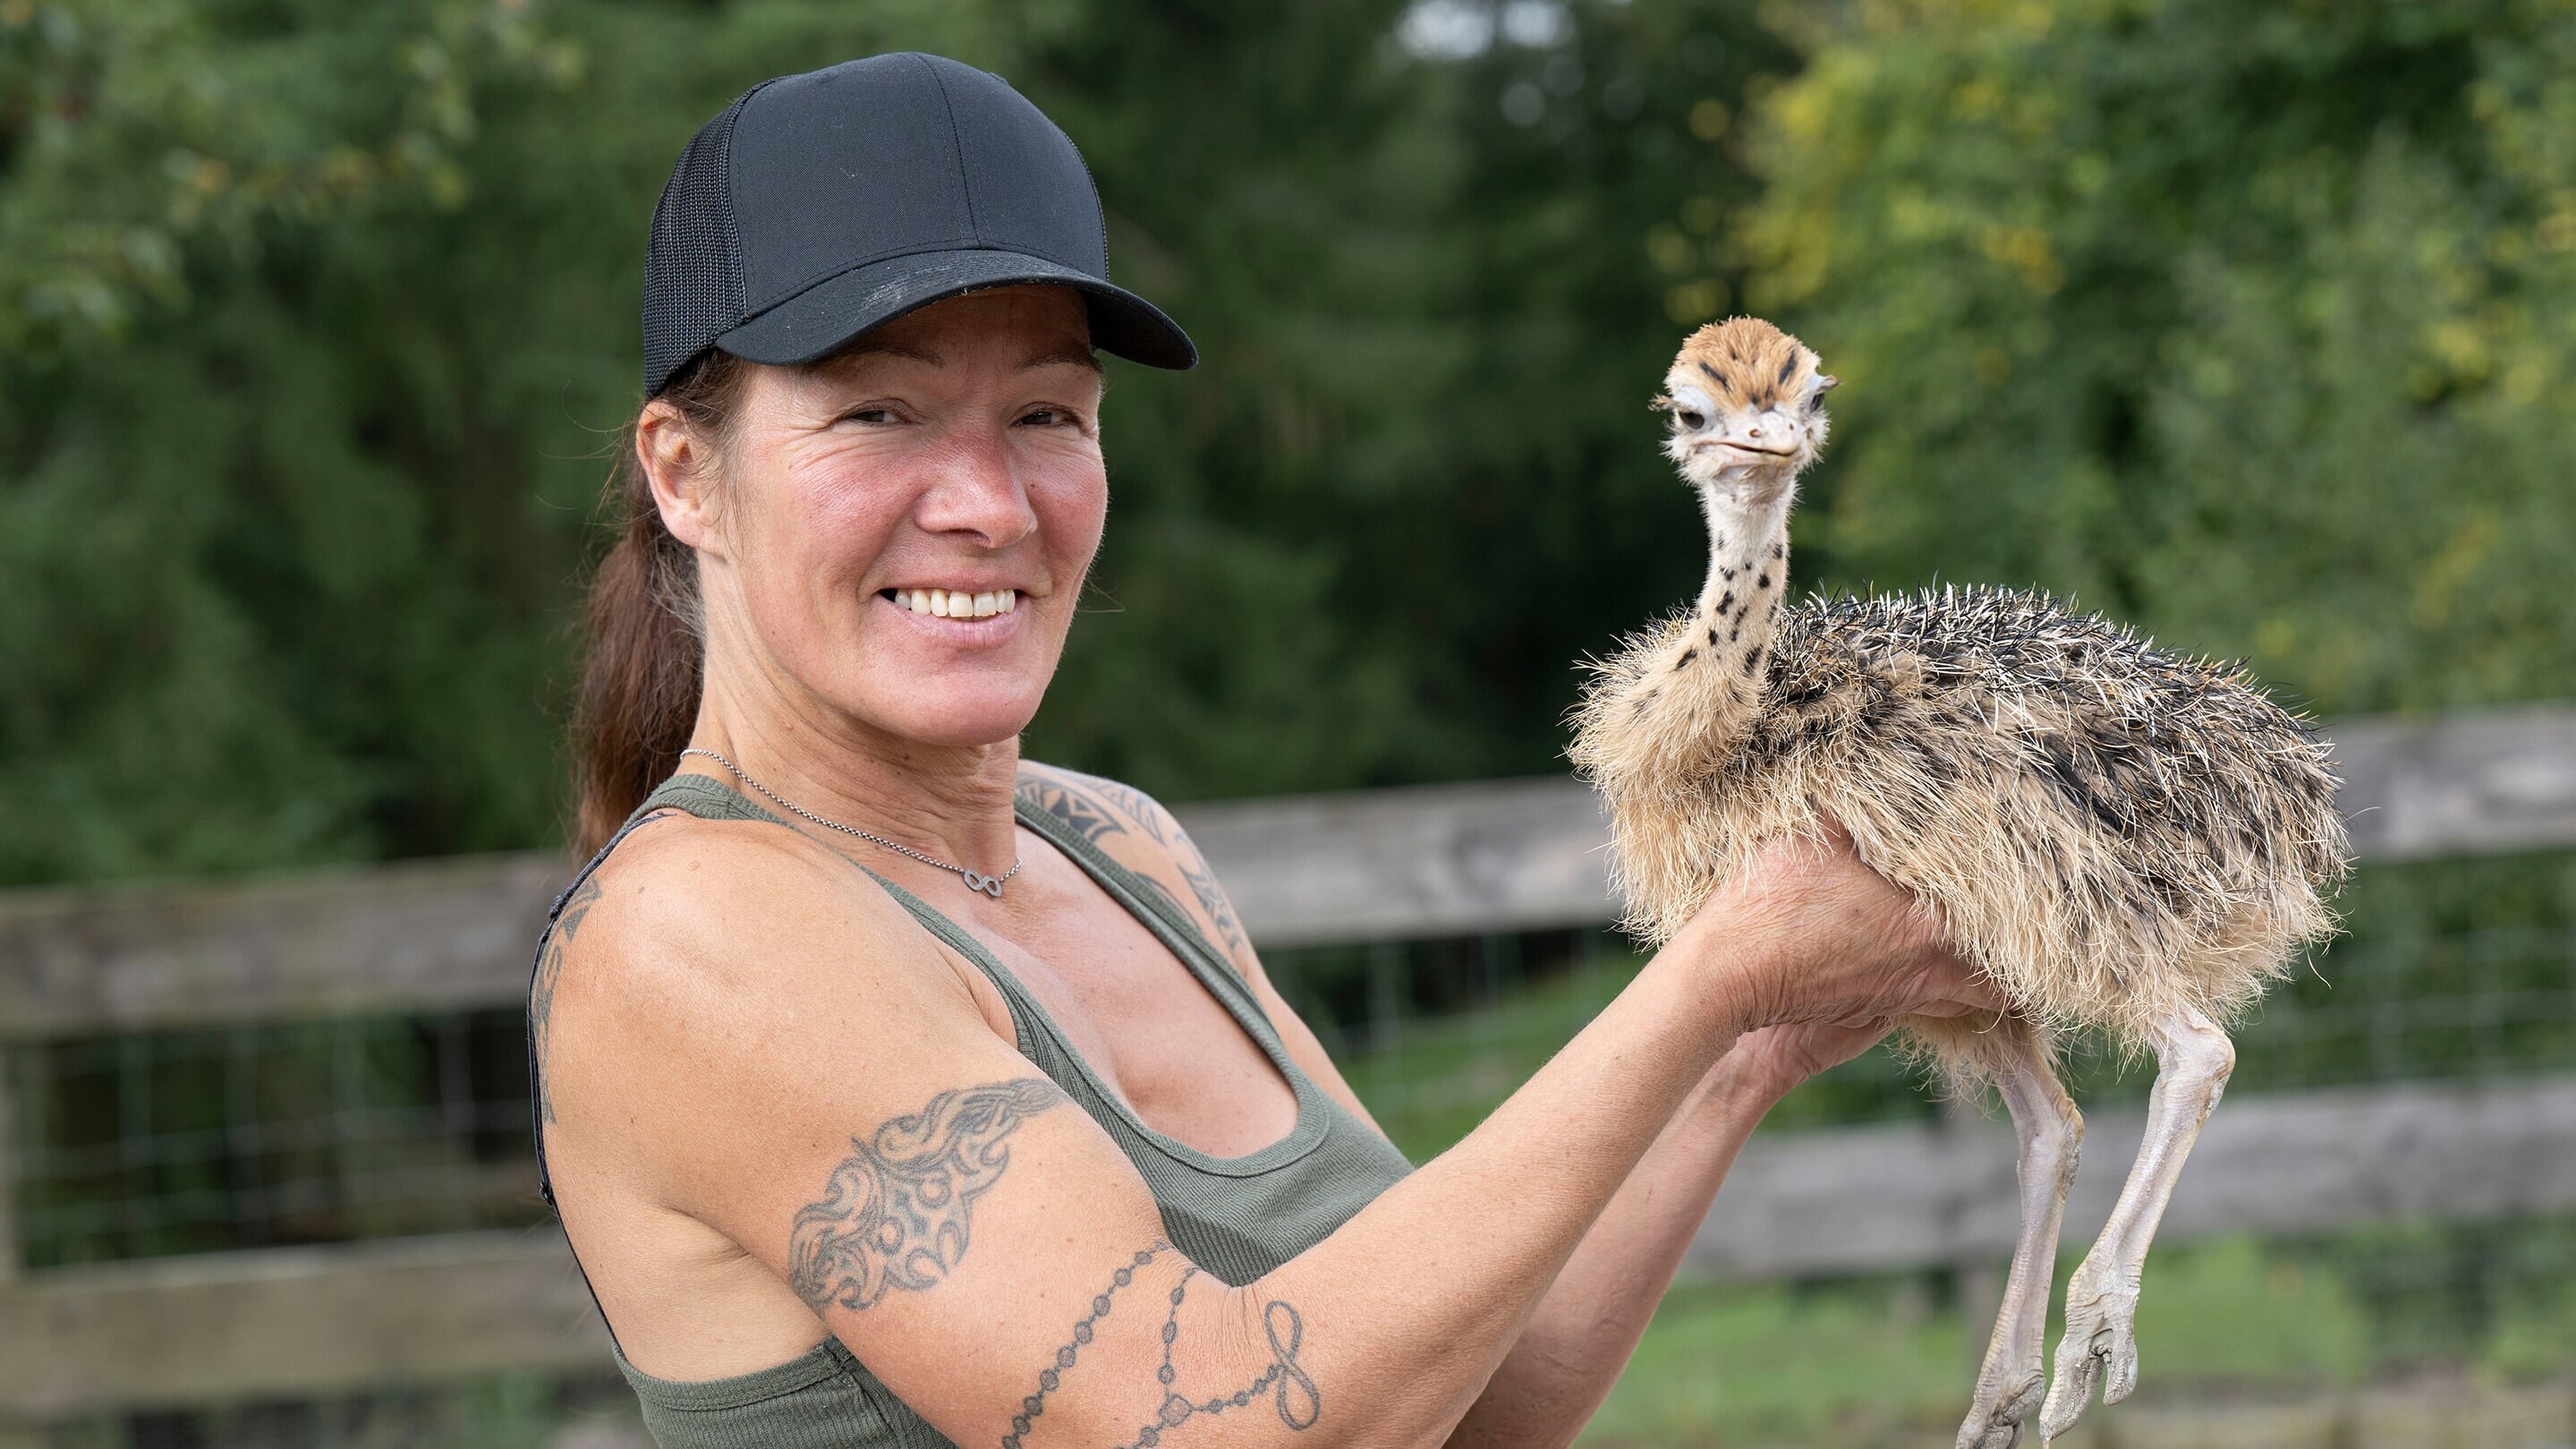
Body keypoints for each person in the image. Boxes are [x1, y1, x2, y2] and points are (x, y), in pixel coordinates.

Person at [531, 52, 1999, 1449]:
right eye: (879, 412)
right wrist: (1708, 977)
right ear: (686, 476)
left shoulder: (1117, 846)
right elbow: (1203, 1422)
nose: (985, 501)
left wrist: (1744, 1049)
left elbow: (1459, 1404)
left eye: (1046, 413)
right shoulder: (695, 935)